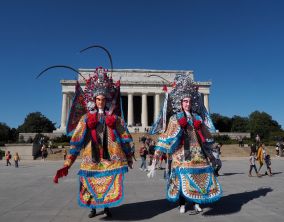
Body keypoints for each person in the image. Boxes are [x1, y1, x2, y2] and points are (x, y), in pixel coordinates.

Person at [53, 67, 133, 218]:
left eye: (103, 99)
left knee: (108, 182)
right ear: (94, 100)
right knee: (90, 183)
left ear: (106, 100)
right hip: (91, 157)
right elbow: (76, 141)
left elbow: (124, 137)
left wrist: (128, 156)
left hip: (110, 158)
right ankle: (93, 208)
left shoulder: (114, 118)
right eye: (98, 99)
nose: (101, 102)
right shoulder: (86, 118)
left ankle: (107, 207)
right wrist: (68, 163)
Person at [148, 74, 222, 214]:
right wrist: (155, 160)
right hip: (181, 153)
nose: (187, 104)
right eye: (185, 101)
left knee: (198, 177)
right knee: (183, 178)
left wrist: (214, 153)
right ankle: (182, 203)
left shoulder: (198, 118)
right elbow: (165, 137)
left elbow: (207, 137)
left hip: (198, 153)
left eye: (189, 101)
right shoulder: (175, 118)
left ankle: (196, 202)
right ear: (180, 103)